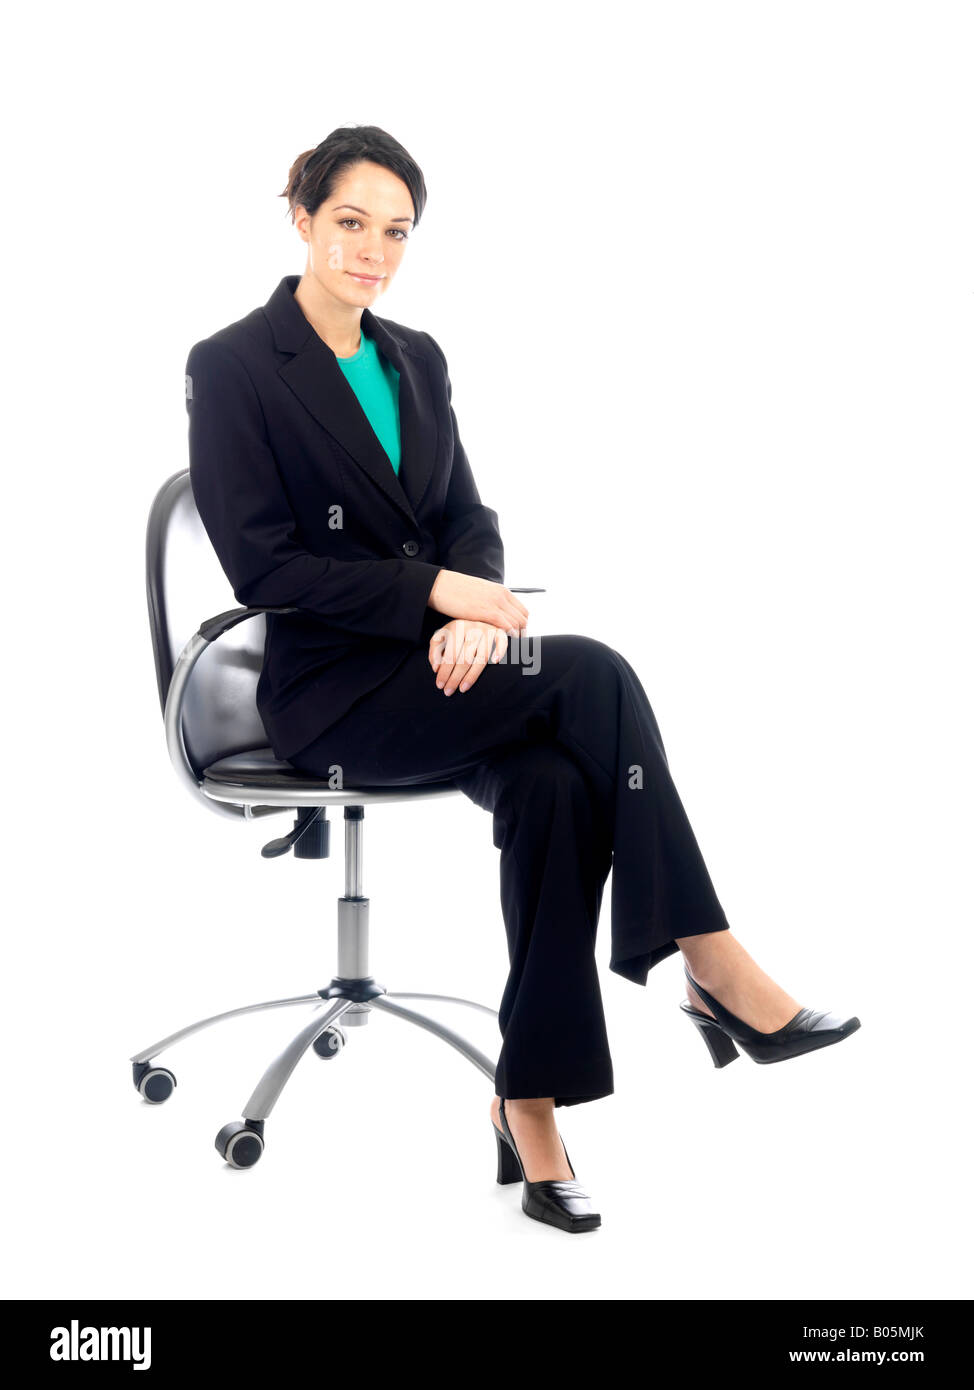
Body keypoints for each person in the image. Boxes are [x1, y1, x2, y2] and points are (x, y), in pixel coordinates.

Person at [185, 124, 860, 1235]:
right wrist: (432, 599)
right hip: (332, 695)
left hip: (445, 671)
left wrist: (476, 604)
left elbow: (466, 519)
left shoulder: (415, 356)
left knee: (553, 784)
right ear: (299, 216)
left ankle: (527, 1101)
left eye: (396, 232)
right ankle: (708, 959)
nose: (373, 252)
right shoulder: (234, 364)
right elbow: (264, 564)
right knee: (593, 674)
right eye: (350, 223)